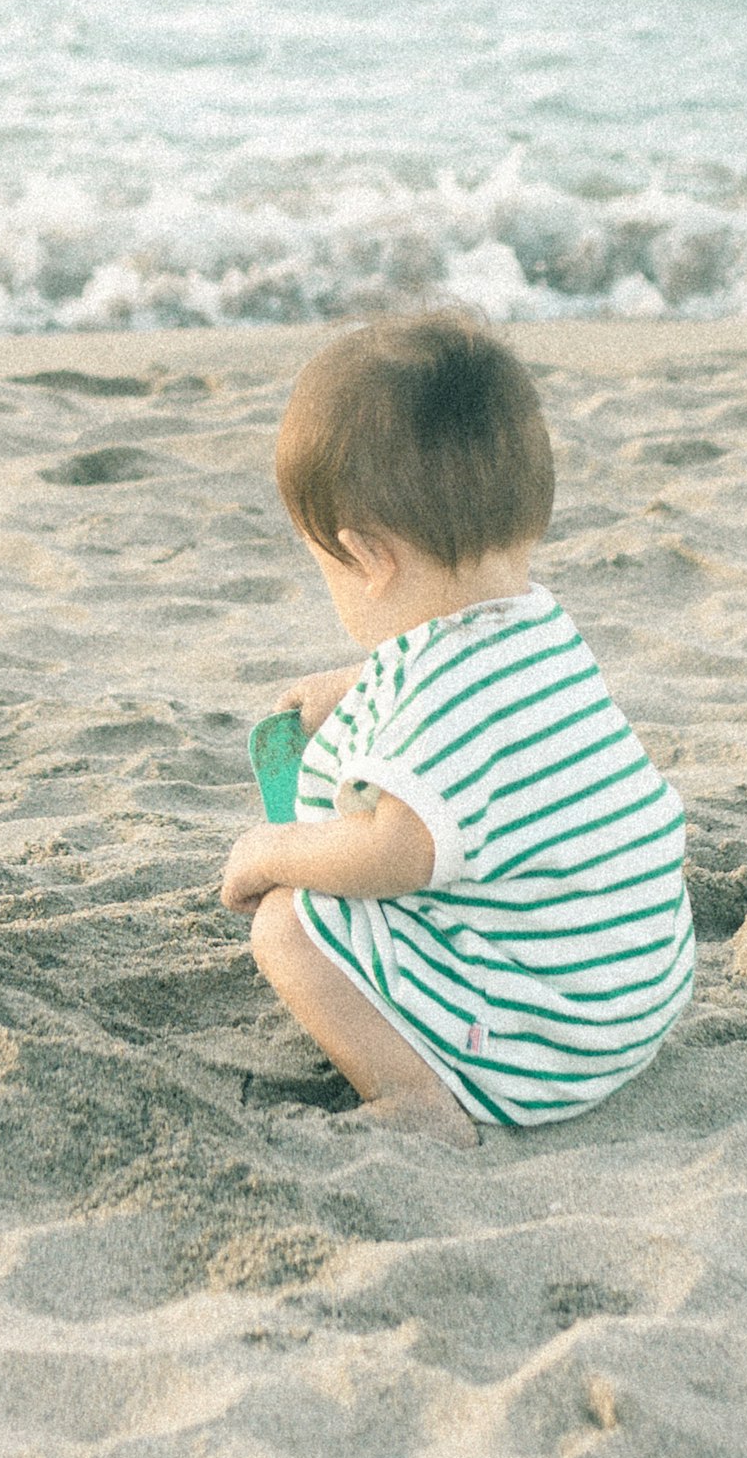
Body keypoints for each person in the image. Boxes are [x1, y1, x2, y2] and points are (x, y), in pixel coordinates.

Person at [219, 310, 693, 1136]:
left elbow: (396, 853)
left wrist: (271, 851)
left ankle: (415, 1098)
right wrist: (356, 684)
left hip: (545, 1043)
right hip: (631, 995)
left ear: (368, 558)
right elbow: (459, 699)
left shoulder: (446, 698)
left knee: (288, 925)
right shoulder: (537, 628)